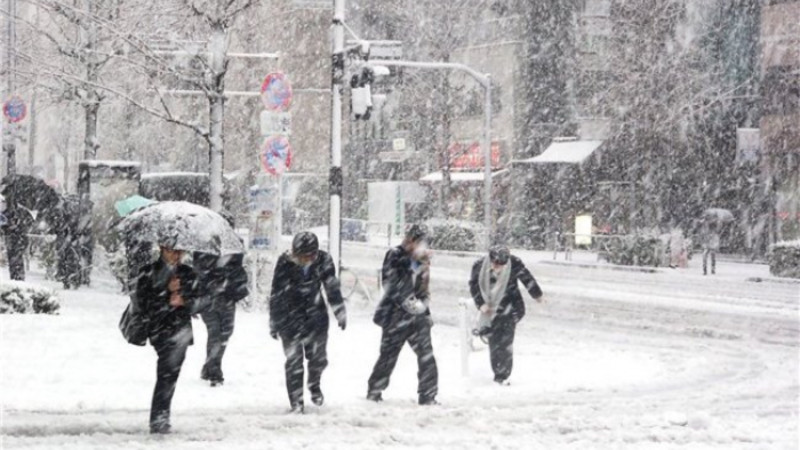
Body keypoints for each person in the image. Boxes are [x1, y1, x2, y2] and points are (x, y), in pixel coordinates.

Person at [269, 232, 347, 413]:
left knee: (318, 359)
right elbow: (276, 293)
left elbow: (331, 287)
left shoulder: (324, 261)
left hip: (315, 317)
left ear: (315, 253)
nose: (304, 259)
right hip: (289, 318)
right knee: (294, 361)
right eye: (300, 256)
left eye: (308, 256)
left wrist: (340, 312)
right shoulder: (285, 262)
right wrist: (274, 321)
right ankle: (296, 402)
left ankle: (314, 383)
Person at [367, 225, 439, 405]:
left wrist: (424, 310)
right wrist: (408, 302)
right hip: (395, 316)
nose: (424, 249)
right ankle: (374, 391)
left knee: (427, 356)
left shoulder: (423, 262)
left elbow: (423, 289)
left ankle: (428, 395)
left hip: (418, 318)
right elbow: (390, 284)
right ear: (411, 241)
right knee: (388, 356)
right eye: (421, 244)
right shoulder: (395, 255)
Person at [136, 244, 199, 434]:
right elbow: (143, 302)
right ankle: (159, 418)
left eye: (180, 251)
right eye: (172, 250)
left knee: (170, 375)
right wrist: (166, 291)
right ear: (162, 250)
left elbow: (199, 301)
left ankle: (161, 415)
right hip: (160, 329)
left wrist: (184, 299)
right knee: (166, 373)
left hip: (181, 330)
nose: (176, 255)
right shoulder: (148, 272)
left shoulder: (188, 273)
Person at [469, 245, 543, 386]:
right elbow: (474, 285)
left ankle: (503, 375)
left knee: (506, 342)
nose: (498, 267)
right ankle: (498, 372)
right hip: (490, 311)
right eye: (495, 263)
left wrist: (537, 295)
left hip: (511, 307)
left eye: (501, 264)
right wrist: (481, 303)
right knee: (494, 342)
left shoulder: (513, 263)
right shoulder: (479, 266)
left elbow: (527, 278)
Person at [197, 253, 249, 387]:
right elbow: (198, 275)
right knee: (215, 333)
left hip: (227, 300)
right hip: (209, 300)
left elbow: (240, 274)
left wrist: (229, 282)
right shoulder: (203, 251)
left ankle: (209, 366)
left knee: (225, 333)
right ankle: (215, 372)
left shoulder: (234, 252)